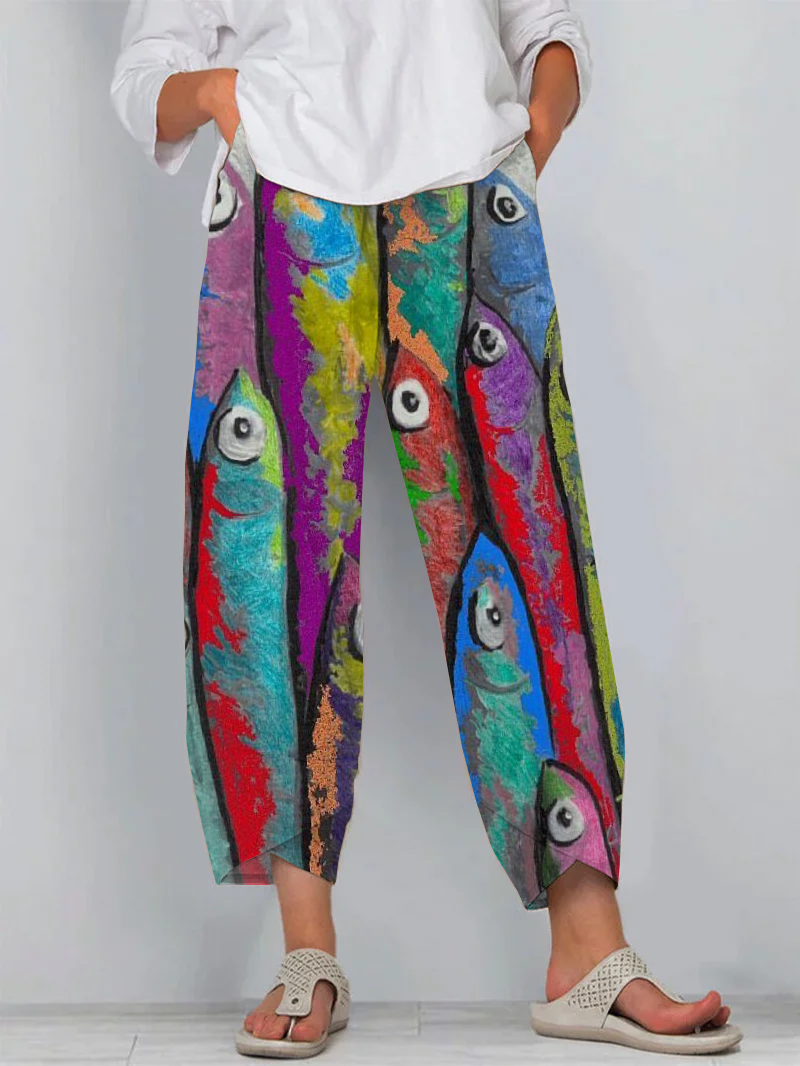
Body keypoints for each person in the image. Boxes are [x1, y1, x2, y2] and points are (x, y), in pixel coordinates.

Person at [110, 1, 742, 1058]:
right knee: (277, 568)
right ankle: (307, 952)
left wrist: (530, 133)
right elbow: (145, 75)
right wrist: (222, 94)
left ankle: (588, 951)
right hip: (283, 190)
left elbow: (547, 24)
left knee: (531, 553)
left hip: (467, 187)